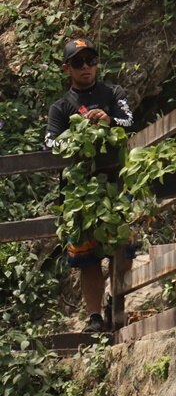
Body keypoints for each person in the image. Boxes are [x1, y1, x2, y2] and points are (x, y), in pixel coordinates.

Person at [45, 38, 134, 333]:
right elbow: (50, 142)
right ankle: (94, 316)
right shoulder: (60, 108)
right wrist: (76, 133)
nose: (87, 67)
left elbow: (130, 121)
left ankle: (115, 299)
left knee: (122, 248)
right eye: (79, 63)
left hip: (116, 186)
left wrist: (109, 119)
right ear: (67, 68)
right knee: (86, 258)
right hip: (79, 192)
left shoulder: (113, 93)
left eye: (91, 61)